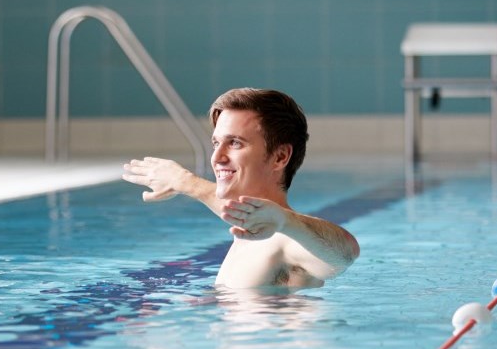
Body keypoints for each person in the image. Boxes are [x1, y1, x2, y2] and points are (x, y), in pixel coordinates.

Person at [121, 88, 360, 289]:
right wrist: (185, 182)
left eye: (235, 143)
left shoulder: (285, 238)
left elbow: (345, 254)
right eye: (216, 142)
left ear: (280, 157)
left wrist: (287, 222)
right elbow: (239, 210)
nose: (216, 157)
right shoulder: (257, 230)